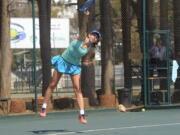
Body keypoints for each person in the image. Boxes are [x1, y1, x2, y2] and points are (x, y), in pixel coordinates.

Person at [39, 30, 101, 124]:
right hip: (63, 61)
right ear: (89, 35)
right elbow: (83, 25)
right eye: (93, 35)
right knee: (52, 85)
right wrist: (86, 15)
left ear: (95, 41)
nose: (94, 37)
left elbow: (85, 57)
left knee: (77, 89)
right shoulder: (81, 38)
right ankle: (44, 108)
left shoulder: (89, 48)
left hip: (74, 66)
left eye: (96, 38)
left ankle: (81, 114)